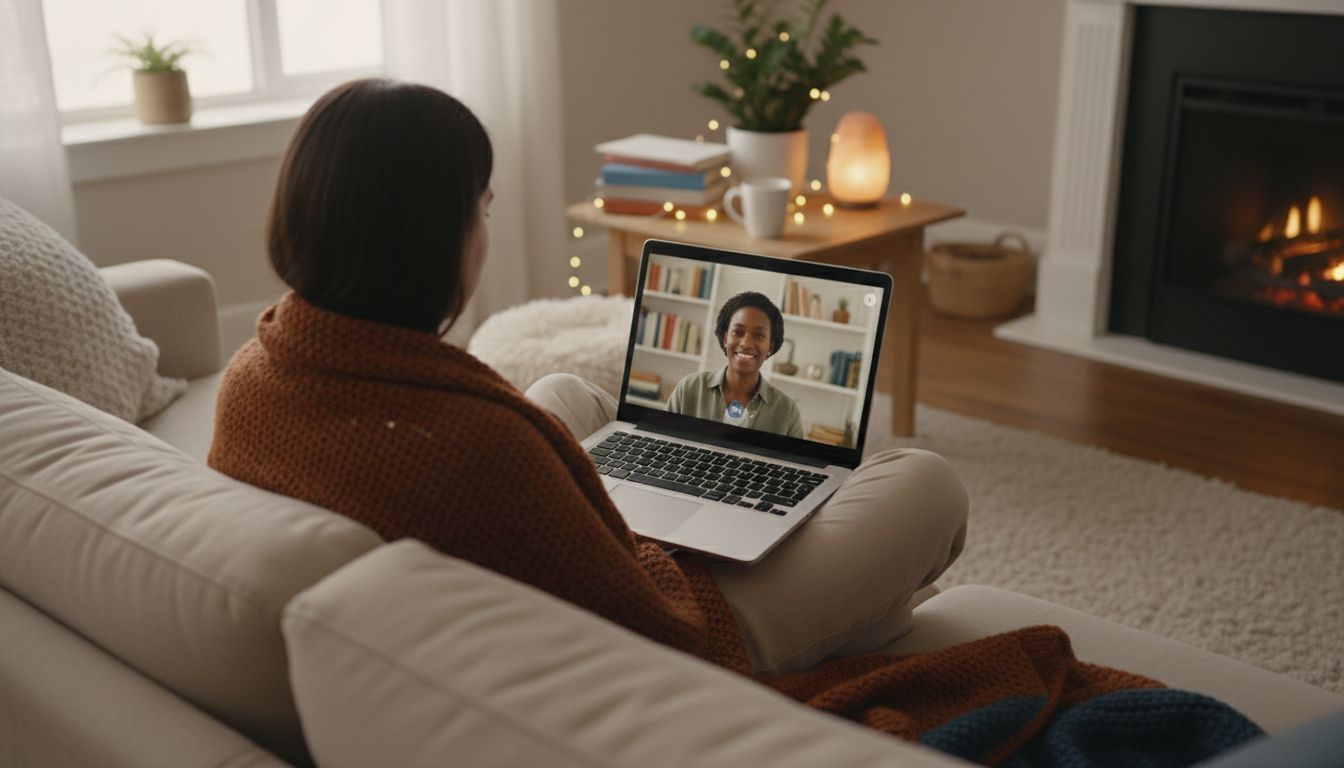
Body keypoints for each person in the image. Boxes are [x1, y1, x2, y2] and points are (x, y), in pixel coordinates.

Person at [208, 78, 968, 679]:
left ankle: (850, 595)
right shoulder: (472, 442)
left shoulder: (256, 373)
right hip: (682, 636)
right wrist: (663, 540)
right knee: (923, 483)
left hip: (541, 567)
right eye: (481, 211)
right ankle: (865, 618)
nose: (483, 235)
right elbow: (646, 611)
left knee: (566, 394)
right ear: (430, 240)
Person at [666, 291, 804, 439]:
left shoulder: (788, 412)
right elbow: (664, 440)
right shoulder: (689, 388)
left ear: (770, 347)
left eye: (759, 335)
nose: (746, 343)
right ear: (725, 339)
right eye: (738, 332)